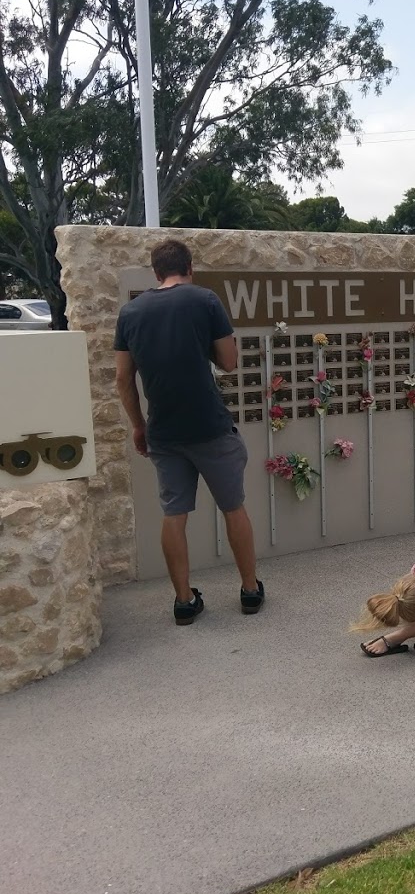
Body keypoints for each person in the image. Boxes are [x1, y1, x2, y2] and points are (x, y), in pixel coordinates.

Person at [114, 238, 265, 625]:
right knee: (233, 507)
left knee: (174, 514)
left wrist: (138, 426)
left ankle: (184, 601)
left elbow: (122, 377)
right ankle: (249, 591)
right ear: (190, 267)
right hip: (210, 427)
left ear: (156, 272)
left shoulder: (130, 312)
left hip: (163, 432)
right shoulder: (205, 300)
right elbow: (229, 362)